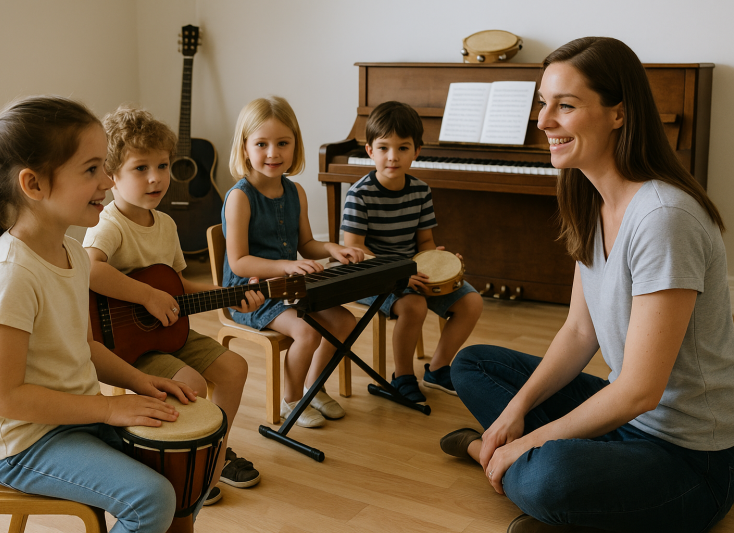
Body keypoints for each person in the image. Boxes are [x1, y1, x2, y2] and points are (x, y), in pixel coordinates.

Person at [439, 37, 734, 533]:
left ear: (619, 114)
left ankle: (491, 456)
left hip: (689, 456)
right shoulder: (590, 200)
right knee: (473, 364)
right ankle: (524, 467)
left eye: (566, 106)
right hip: (626, 420)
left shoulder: (663, 217)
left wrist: (531, 441)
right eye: (542, 103)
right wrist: (517, 414)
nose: (543, 121)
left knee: (550, 478)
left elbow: (640, 390)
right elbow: (579, 331)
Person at [0, 95, 200, 533]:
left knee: (185, 469)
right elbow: (5, 398)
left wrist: (141, 382)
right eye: (91, 169)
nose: (108, 179)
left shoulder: (72, 252)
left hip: (73, 418)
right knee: (153, 498)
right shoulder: (11, 275)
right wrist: (106, 411)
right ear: (34, 185)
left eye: (105, 165)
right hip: (23, 445)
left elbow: (85, 348)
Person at [83, 105, 265, 504]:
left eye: (163, 166)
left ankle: (213, 452)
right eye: (140, 168)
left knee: (234, 367)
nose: (156, 178)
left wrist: (233, 296)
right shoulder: (108, 224)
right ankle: (179, 465)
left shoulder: (164, 223)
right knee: (191, 385)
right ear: (112, 177)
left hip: (170, 333)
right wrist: (146, 295)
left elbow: (177, 284)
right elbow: (92, 272)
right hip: (127, 347)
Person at [223, 96, 364, 428]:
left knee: (344, 322)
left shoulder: (295, 191)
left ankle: (313, 388)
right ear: (245, 148)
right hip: (250, 295)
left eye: (282, 143)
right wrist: (286, 266)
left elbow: (306, 245)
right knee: (306, 333)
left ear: (295, 145)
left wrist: (332, 248)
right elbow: (239, 263)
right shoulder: (240, 197)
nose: (273, 153)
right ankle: (291, 399)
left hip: (289, 287)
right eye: (262, 144)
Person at [341, 101, 483, 404]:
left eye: (403, 148)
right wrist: (400, 274)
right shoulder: (359, 194)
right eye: (383, 148)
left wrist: (441, 262)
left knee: (471, 302)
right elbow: (354, 251)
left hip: (412, 272)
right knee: (414, 306)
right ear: (369, 151)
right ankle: (402, 376)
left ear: (416, 151)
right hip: (371, 275)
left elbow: (425, 244)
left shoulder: (420, 190)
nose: (393, 157)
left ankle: (438, 367)